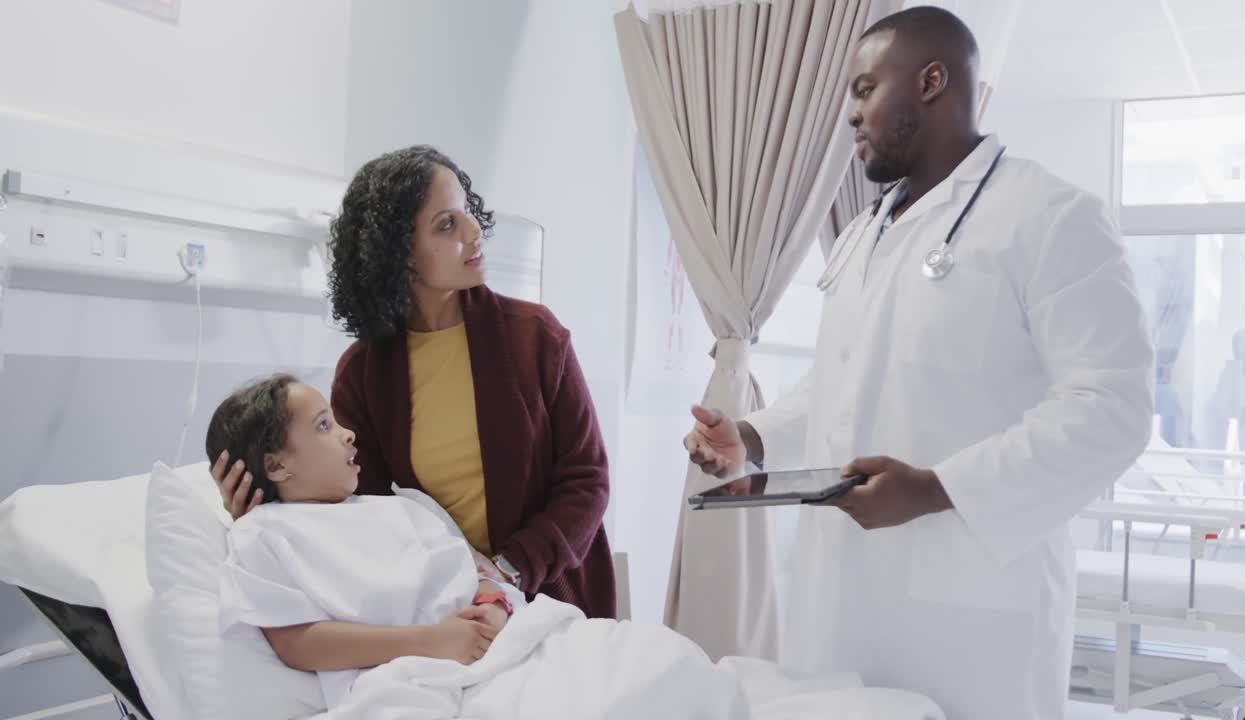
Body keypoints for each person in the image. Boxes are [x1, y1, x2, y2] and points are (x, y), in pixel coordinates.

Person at [683, 7, 1153, 719]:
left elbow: (1112, 408)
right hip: (841, 597)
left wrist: (939, 488)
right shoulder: (865, 232)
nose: (850, 114)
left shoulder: (1050, 217)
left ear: (931, 82)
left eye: (866, 88)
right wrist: (749, 437)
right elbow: (842, 381)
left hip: (972, 615)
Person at [211, 145, 615, 619]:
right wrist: (261, 512)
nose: (474, 231)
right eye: (446, 224)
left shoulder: (535, 336)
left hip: (550, 596)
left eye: (467, 212)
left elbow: (587, 481)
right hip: (440, 608)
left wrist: (506, 569)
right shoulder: (363, 374)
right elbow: (357, 508)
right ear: (397, 254)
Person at [206, 375, 518, 707]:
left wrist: (494, 607)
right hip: (409, 683)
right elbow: (298, 643)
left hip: (500, 646)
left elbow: (476, 576)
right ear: (277, 464)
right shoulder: (263, 533)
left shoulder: (400, 508)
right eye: (324, 425)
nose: (349, 433)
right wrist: (431, 642)